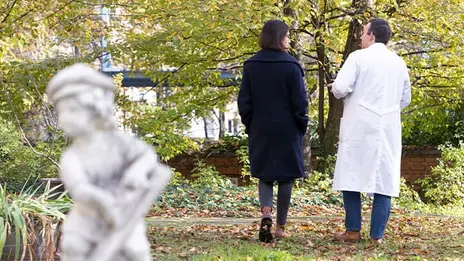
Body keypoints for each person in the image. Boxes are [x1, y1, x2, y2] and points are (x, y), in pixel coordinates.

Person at [47, 63, 171, 261]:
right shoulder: (72, 157)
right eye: (61, 112)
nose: (64, 119)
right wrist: (108, 206)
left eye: (72, 110)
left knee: (136, 252)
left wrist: (138, 171)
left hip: (125, 211)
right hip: (87, 219)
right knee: (74, 248)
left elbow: (147, 156)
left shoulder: (120, 142)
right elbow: (82, 191)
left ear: (95, 108)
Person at [329, 18, 411, 244]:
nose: (361, 37)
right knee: (384, 178)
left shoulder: (358, 58)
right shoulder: (399, 63)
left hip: (359, 125)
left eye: (363, 33)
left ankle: (353, 231)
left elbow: (341, 87)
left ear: (372, 35)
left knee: (351, 174)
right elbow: (406, 98)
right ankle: (377, 236)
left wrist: (334, 87)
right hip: (387, 126)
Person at [237, 19, 309, 242]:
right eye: (287, 35)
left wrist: (250, 123)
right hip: (287, 127)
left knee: (265, 175)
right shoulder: (292, 66)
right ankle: (280, 227)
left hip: (261, 126)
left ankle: (266, 211)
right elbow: (300, 101)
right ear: (278, 37)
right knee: (286, 177)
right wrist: (301, 124)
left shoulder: (251, 65)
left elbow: (244, 101)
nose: (289, 39)